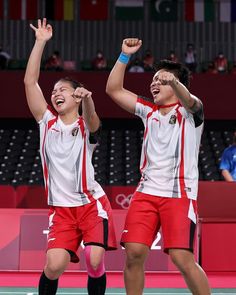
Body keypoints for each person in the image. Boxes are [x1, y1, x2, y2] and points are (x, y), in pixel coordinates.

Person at [106, 38, 211, 295]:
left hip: (179, 195)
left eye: (160, 80)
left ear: (176, 84)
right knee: (133, 254)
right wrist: (123, 56)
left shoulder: (190, 112)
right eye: (153, 79)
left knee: (182, 259)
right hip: (146, 194)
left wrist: (173, 81)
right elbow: (113, 90)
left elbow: (193, 103)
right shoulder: (148, 110)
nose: (154, 83)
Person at [24, 18, 117, 295]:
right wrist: (40, 42)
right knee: (53, 266)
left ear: (76, 97)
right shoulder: (46, 123)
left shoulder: (84, 125)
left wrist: (88, 99)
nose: (55, 94)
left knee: (94, 258)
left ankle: (96, 278)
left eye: (62, 89)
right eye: (53, 92)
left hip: (90, 204)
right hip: (61, 210)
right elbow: (30, 81)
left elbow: (94, 123)